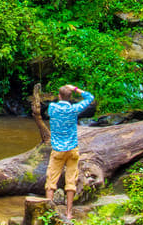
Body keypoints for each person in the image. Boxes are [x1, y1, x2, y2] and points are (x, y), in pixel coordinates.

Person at [45, 84, 95, 221]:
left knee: (51, 181)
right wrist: (75, 88)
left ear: (59, 96)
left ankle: (49, 211)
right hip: (72, 150)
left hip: (57, 151)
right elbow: (90, 97)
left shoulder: (52, 108)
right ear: (70, 97)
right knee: (71, 181)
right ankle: (68, 213)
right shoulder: (74, 109)